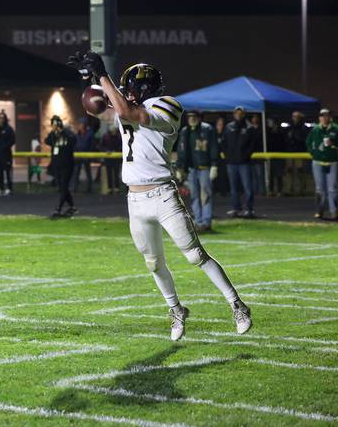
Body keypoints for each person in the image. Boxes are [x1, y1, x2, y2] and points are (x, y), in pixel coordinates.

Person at [68, 51, 251, 340]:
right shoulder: (127, 104)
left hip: (163, 196)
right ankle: (176, 309)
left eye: (130, 88)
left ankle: (237, 304)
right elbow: (100, 109)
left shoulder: (167, 106)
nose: (127, 93)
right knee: (153, 262)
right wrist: (88, 77)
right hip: (135, 200)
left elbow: (128, 114)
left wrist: (103, 75)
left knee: (195, 256)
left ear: (142, 89)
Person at [176, 110, 219, 231]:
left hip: (204, 167)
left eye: (194, 117)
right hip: (191, 169)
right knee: (194, 195)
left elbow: (213, 147)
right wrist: (180, 167)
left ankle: (206, 221)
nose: (191, 119)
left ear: (199, 118)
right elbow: (181, 150)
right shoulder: (185, 131)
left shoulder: (207, 129)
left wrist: (214, 164)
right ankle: (198, 221)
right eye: (189, 117)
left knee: (205, 195)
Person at [224, 107, 256, 218]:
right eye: (236, 113)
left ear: (244, 114)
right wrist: (227, 156)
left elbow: (253, 145)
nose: (238, 115)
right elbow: (224, 143)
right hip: (231, 162)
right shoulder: (229, 127)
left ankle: (249, 209)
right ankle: (235, 209)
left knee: (248, 187)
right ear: (234, 114)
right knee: (234, 188)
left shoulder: (249, 127)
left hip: (244, 163)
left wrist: (246, 156)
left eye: (240, 113)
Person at [306, 108, 338, 220]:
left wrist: (333, 143)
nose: (325, 118)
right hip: (318, 162)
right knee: (320, 189)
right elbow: (308, 142)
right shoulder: (315, 130)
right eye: (322, 116)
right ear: (319, 118)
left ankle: (334, 211)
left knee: (332, 188)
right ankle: (320, 211)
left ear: (329, 117)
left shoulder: (335, 128)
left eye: (326, 116)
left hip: (332, 161)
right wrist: (313, 153)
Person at [45, 115, 77, 218]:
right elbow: (47, 141)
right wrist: (54, 133)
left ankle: (58, 208)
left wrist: (62, 131)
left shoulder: (67, 133)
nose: (54, 126)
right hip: (57, 165)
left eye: (56, 124)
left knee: (64, 186)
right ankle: (72, 206)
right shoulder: (53, 135)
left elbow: (73, 140)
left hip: (67, 165)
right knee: (61, 187)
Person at [0, 112, 15, 195]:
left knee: (8, 172)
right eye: (0, 118)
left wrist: (5, 146)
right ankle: (0, 187)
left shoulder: (9, 129)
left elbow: (12, 140)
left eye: (3, 118)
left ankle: (9, 188)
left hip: (6, 153)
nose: (1, 120)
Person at [287, 110, 309, 195]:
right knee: (289, 171)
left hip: (300, 152)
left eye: (297, 117)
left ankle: (301, 190)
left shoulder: (303, 127)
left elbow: (305, 139)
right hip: (289, 152)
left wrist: (296, 137)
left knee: (300, 171)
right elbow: (285, 138)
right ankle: (289, 189)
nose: (295, 118)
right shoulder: (289, 127)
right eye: (294, 116)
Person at [72, 121, 95, 193]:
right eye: (79, 125)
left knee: (88, 172)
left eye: (81, 125)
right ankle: (74, 188)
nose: (80, 126)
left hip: (86, 155)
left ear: (85, 125)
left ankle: (89, 189)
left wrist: (89, 154)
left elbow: (92, 145)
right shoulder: (77, 134)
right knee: (76, 172)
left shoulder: (90, 134)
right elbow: (74, 144)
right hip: (78, 155)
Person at [100, 125, 122, 194]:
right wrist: (107, 150)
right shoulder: (108, 136)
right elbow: (101, 146)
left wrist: (115, 151)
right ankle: (111, 188)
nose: (114, 132)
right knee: (110, 173)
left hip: (114, 158)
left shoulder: (118, 137)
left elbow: (121, 146)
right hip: (109, 158)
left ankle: (116, 188)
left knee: (115, 173)